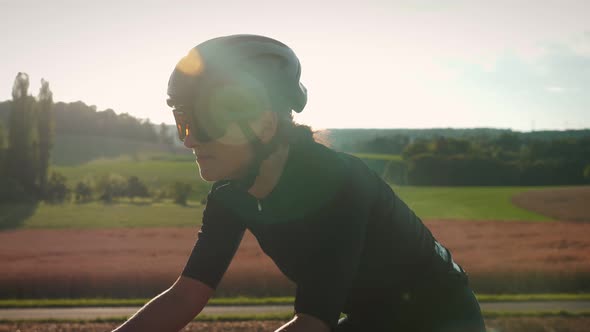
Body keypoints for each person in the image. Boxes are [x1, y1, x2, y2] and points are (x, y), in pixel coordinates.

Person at [112, 34, 486, 332]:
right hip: (374, 319)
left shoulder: (336, 183)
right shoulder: (230, 194)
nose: (189, 140)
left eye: (204, 122)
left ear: (264, 123)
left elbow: (313, 322)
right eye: (183, 122)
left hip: (443, 319)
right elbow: (185, 297)